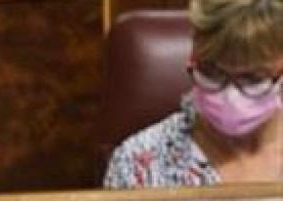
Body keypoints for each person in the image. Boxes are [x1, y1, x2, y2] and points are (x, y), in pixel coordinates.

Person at [104, 0, 283, 188]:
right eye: (212, 72)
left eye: (252, 78)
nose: (230, 95)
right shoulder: (138, 165)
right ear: (192, 56)